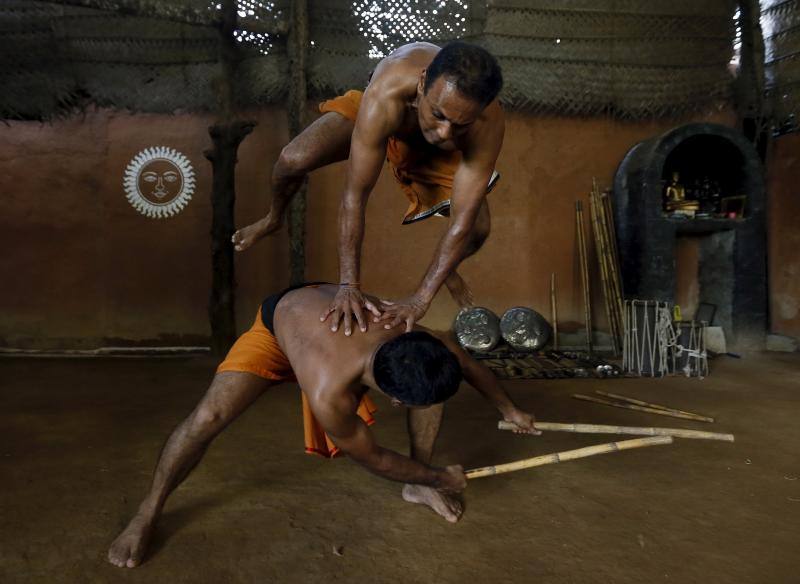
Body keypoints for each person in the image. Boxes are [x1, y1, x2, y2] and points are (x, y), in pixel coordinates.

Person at [107, 283, 539, 568]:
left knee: (433, 386)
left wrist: (509, 409)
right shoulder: (330, 394)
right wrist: (442, 476)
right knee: (208, 416)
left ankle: (418, 485)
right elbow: (372, 458)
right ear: (391, 399)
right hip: (280, 327)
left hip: (331, 312)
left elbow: (469, 366)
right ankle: (147, 513)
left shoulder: (414, 336)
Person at [231, 41, 505, 335]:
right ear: (423, 82)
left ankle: (446, 267)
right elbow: (354, 197)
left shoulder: (486, 125)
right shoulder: (385, 94)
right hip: (385, 118)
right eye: (438, 115)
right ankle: (273, 218)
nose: (444, 133)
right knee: (291, 160)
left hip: (428, 153)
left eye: (460, 125)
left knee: (478, 227)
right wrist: (349, 286)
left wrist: (420, 299)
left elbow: (462, 222)